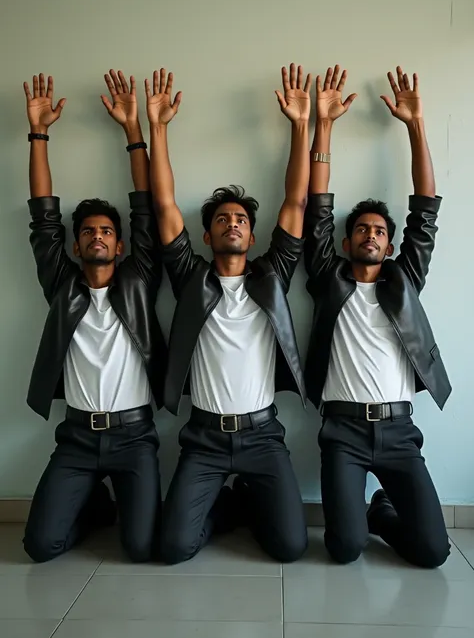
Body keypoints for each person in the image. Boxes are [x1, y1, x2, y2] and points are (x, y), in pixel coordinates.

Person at [147, 64, 310, 564]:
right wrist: (157, 128)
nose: (233, 224)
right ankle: (220, 502)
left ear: (253, 236)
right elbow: (165, 205)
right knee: (173, 548)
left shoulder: (272, 276)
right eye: (222, 219)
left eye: (240, 219)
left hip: (263, 435)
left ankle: (245, 500)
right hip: (204, 436)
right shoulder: (191, 278)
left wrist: (301, 126)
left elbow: (297, 200)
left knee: (290, 547)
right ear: (208, 236)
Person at [304, 65, 451, 568]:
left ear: (389, 246)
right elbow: (316, 210)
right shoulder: (329, 278)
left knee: (433, 552)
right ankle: (363, 518)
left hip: (399, 432)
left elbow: (425, 210)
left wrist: (415, 125)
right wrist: (323, 125)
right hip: (341, 433)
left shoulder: (404, 279)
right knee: (343, 549)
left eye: (379, 232)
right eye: (361, 230)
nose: (370, 235)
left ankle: (382, 510)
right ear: (346, 244)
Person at [23, 70, 166, 563]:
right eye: (87, 232)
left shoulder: (139, 279)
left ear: (121, 245)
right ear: (77, 243)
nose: (97, 237)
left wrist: (133, 132)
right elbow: (43, 218)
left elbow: (146, 209)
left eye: (107, 231)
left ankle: (110, 507)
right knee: (40, 547)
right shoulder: (62, 285)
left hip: (135, 436)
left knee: (142, 547)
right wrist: (39, 133)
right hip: (78, 438)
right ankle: (94, 505)